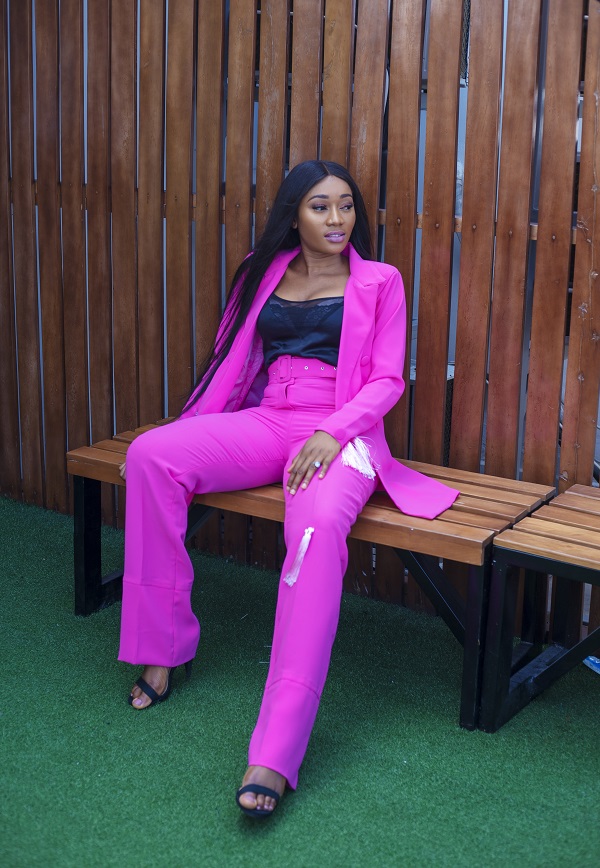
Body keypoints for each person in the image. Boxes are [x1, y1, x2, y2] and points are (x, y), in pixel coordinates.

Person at [118, 160, 459, 818]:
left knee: (314, 532)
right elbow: (232, 359)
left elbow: (387, 380)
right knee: (151, 456)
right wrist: (195, 426)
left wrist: (334, 431)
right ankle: (162, 650)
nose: (337, 220)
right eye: (320, 207)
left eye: (346, 206)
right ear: (293, 215)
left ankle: (275, 751)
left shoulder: (380, 281)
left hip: (341, 432)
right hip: (270, 418)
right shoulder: (261, 270)